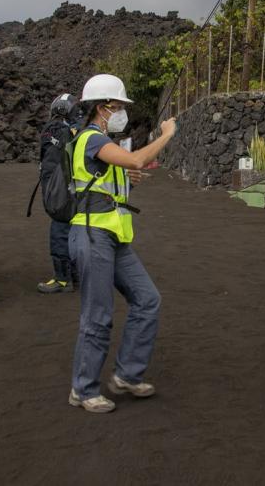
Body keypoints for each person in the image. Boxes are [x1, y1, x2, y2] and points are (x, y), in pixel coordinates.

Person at [67, 74, 177, 414]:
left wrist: (127, 178)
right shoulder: (91, 138)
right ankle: (83, 390)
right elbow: (138, 159)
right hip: (92, 235)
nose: (122, 113)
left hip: (112, 236)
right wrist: (167, 135)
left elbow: (118, 178)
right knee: (97, 315)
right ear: (103, 108)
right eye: (119, 107)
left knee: (147, 300)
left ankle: (127, 375)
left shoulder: (103, 143)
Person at [37, 92, 81, 294]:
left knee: (60, 231)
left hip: (59, 191)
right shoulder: (79, 130)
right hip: (78, 189)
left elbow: (45, 161)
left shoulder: (51, 130)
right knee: (77, 231)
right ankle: (76, 277)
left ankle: (62, 279)